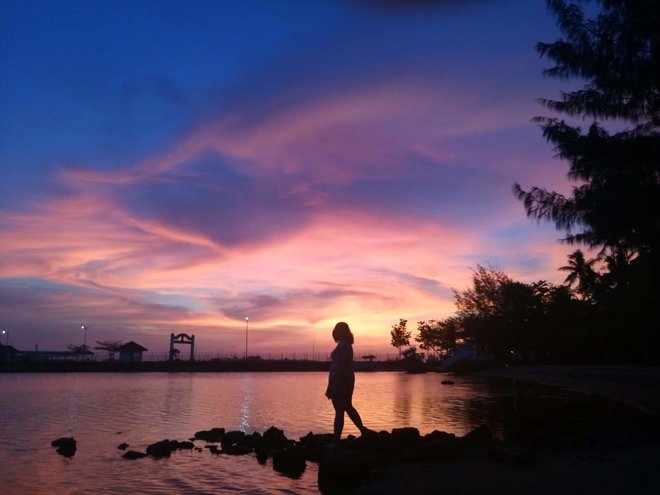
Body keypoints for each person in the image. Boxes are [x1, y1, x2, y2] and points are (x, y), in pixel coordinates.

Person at [325, 322, 372, 443]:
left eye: (340, 330)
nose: (336, 332)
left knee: (340, 410)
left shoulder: (344, 345)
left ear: (344, 332)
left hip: (341, 380)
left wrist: (332, 386)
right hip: (343, 379)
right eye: (336, 329)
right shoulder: (343, 344)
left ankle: (336, 441)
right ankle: (363, 431)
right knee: (347, 407)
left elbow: (340, 367)